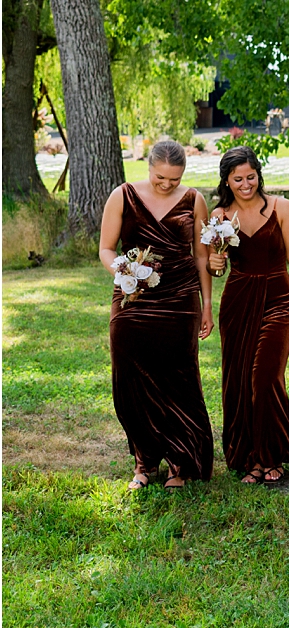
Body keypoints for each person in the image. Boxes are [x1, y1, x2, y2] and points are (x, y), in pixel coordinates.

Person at [99, 139, 215, 490]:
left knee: (179, 379)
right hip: (132, 299)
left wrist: (207, 303)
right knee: (130, 379)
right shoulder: (122, 195)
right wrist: (124, 272)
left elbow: (200, 255)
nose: (166, 184)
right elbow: (106, 248)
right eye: (160, 177)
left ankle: (181, 462)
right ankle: (144, 461)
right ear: (148, 167)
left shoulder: (194, 200)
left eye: (174, 179)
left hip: (180, 299)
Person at [207, 146, 289, 484]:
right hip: (238, 301)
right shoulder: (219, 216)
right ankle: (251, 458)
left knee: (265, 377)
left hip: (279, 298)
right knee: (239, 381)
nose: (245, 184)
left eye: (250, 177)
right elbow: (215, 266)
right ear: (227, 180)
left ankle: (271, 454)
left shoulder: (281, 207)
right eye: (238, 179)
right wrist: (214, 263)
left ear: (259, 175)